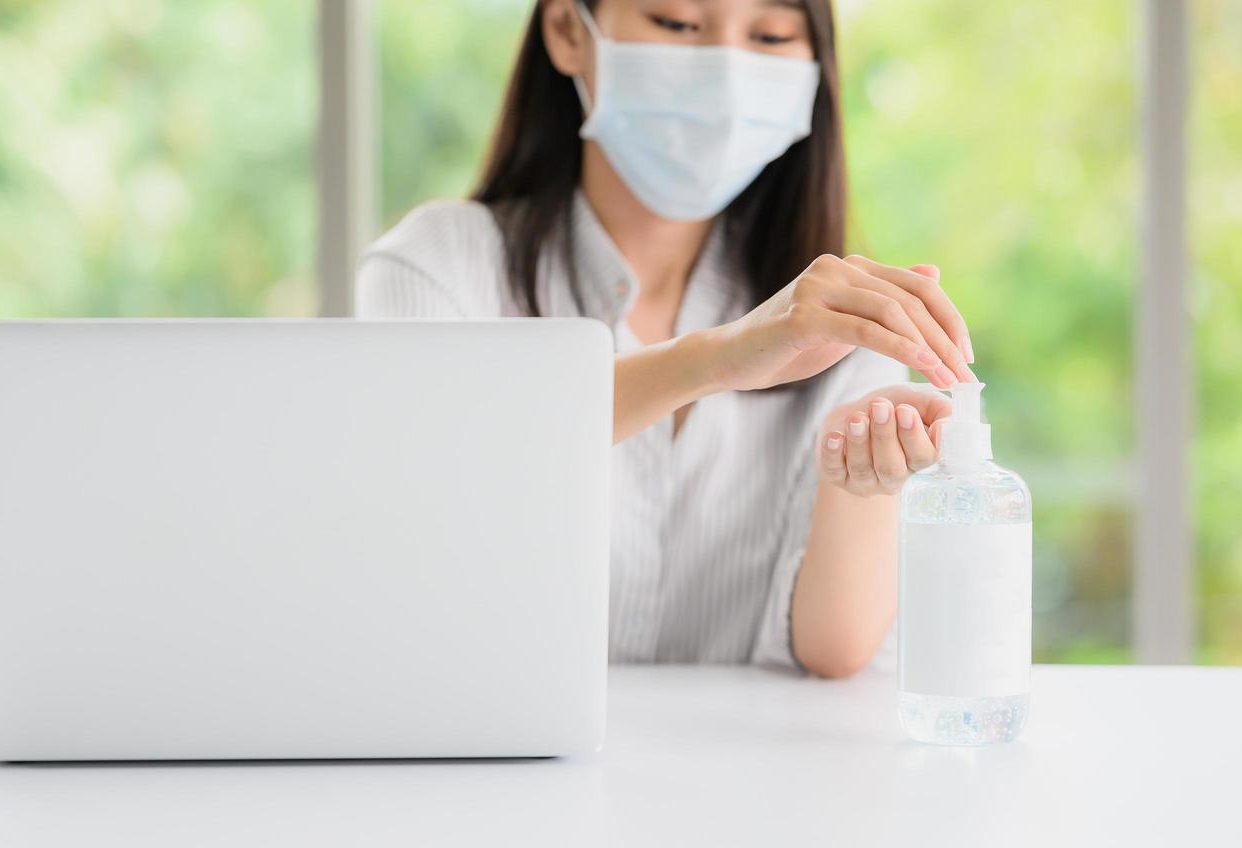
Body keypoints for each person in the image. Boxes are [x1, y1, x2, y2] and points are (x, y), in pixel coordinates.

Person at [356, 0, 976, 677]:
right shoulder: (442, 265)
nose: (725, 71)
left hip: (744, 775)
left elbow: (832, 653)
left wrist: (862, 478)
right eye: (677, 23)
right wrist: (711, 360)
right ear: (568, 31)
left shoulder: (832, 319)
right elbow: (424, 478)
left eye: (769, 35)